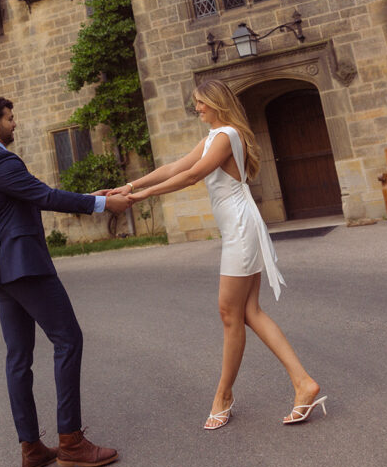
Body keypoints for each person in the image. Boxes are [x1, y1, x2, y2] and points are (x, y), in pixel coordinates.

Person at [109, 78, 326, 429]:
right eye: (196, 103)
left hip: (241, 228)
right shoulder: (215, 136)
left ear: (216, 102)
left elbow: (193, 175)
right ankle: (303, 382)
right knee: (248, 312)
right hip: (238, 228)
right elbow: (176, 166)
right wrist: (132, 185)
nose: (197, 109)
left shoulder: (226, 136)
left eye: (201, 103)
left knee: (230, 313)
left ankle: (225, 394)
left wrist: (143, 197)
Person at [0, 96, 132, 467]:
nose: (15, 124)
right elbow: (44, 195)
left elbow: (34, 197)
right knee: (68, 339)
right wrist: (101, 207)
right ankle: (71, 442)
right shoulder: (0, 160)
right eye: (10, 118)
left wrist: (95, 197)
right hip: (24, 267)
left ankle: (31, 449)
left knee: (18, 358)